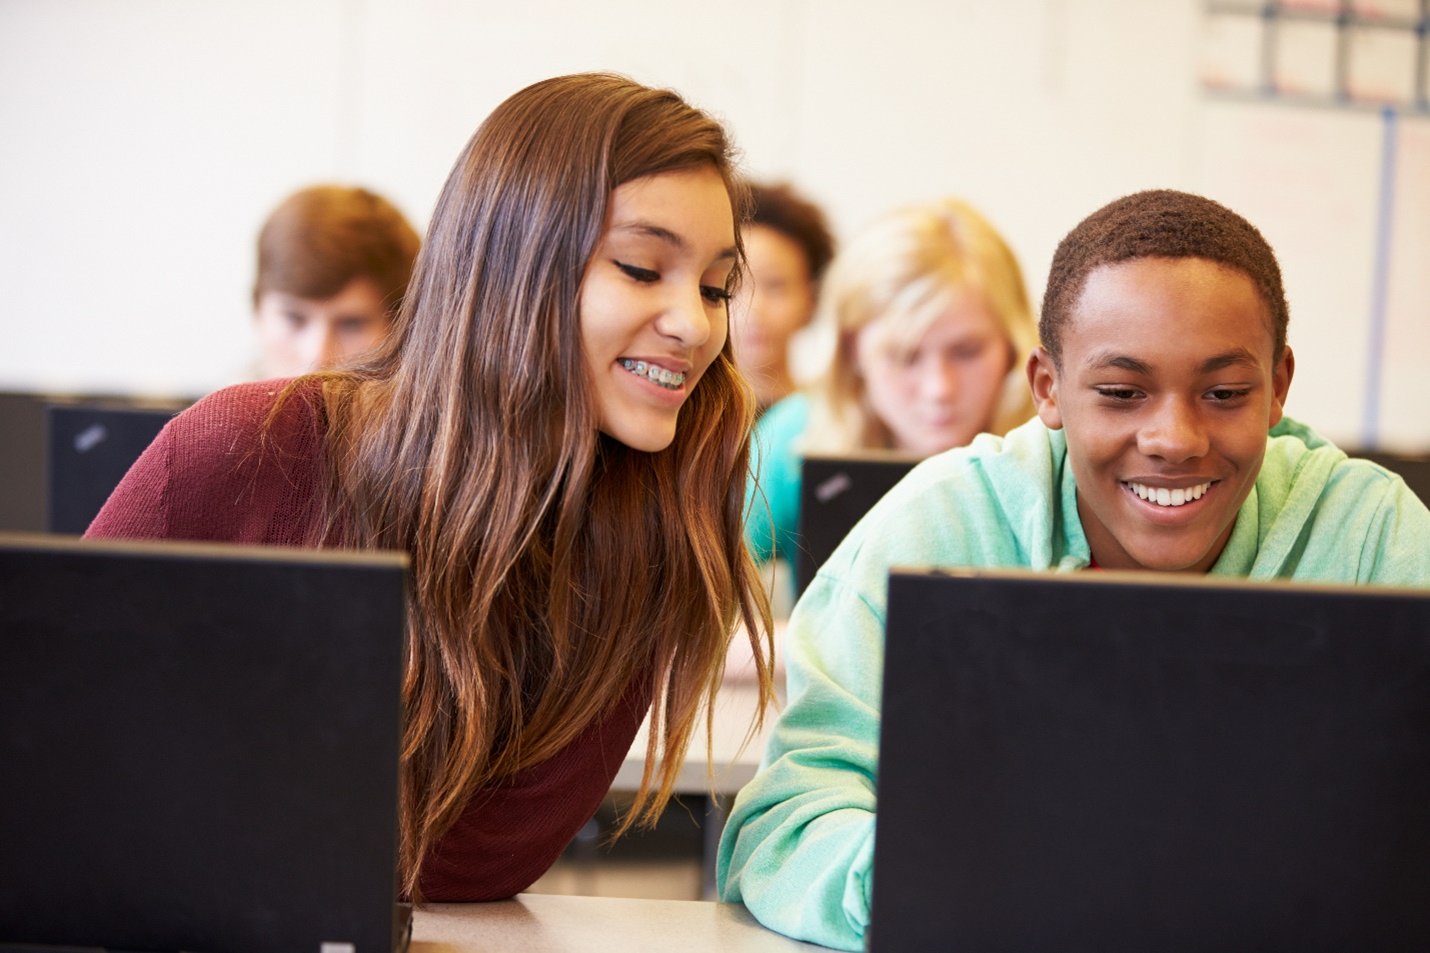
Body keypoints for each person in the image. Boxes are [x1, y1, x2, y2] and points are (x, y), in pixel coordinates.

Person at [86, 73, 774, 903]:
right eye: (639, 267)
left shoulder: (652, 520)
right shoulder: (251, 445)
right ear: (510, 267)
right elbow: (50, 747)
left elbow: (474, 863)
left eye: (714, 287)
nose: (695, 325)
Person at [718, 189, 1430, 950]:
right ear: (1048, 388)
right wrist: (966, 887)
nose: (1173, 438)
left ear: (1279, 386)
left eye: (1224, 393)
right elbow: (784, 827)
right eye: (1122, 394)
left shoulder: (1369, 533)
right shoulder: (939, 525)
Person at [746, 197, 1038, 568]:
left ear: (1012, 347)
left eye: (967, 352)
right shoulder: (794, 436)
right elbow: (700, 603)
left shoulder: (1062, 454)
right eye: (904, 356)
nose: (939, 389)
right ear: (853, 351)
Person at [251, 185, 420, 378]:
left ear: (402, 329)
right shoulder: (214, 407)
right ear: (257, 311)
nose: (317, 357)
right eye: (294, 318)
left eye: (351, 324)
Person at [728, 182, 835, 411]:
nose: (753, 308)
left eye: (775, 286)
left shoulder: (828, 420)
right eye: (733, 284)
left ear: (812, 299)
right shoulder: (684, 417)